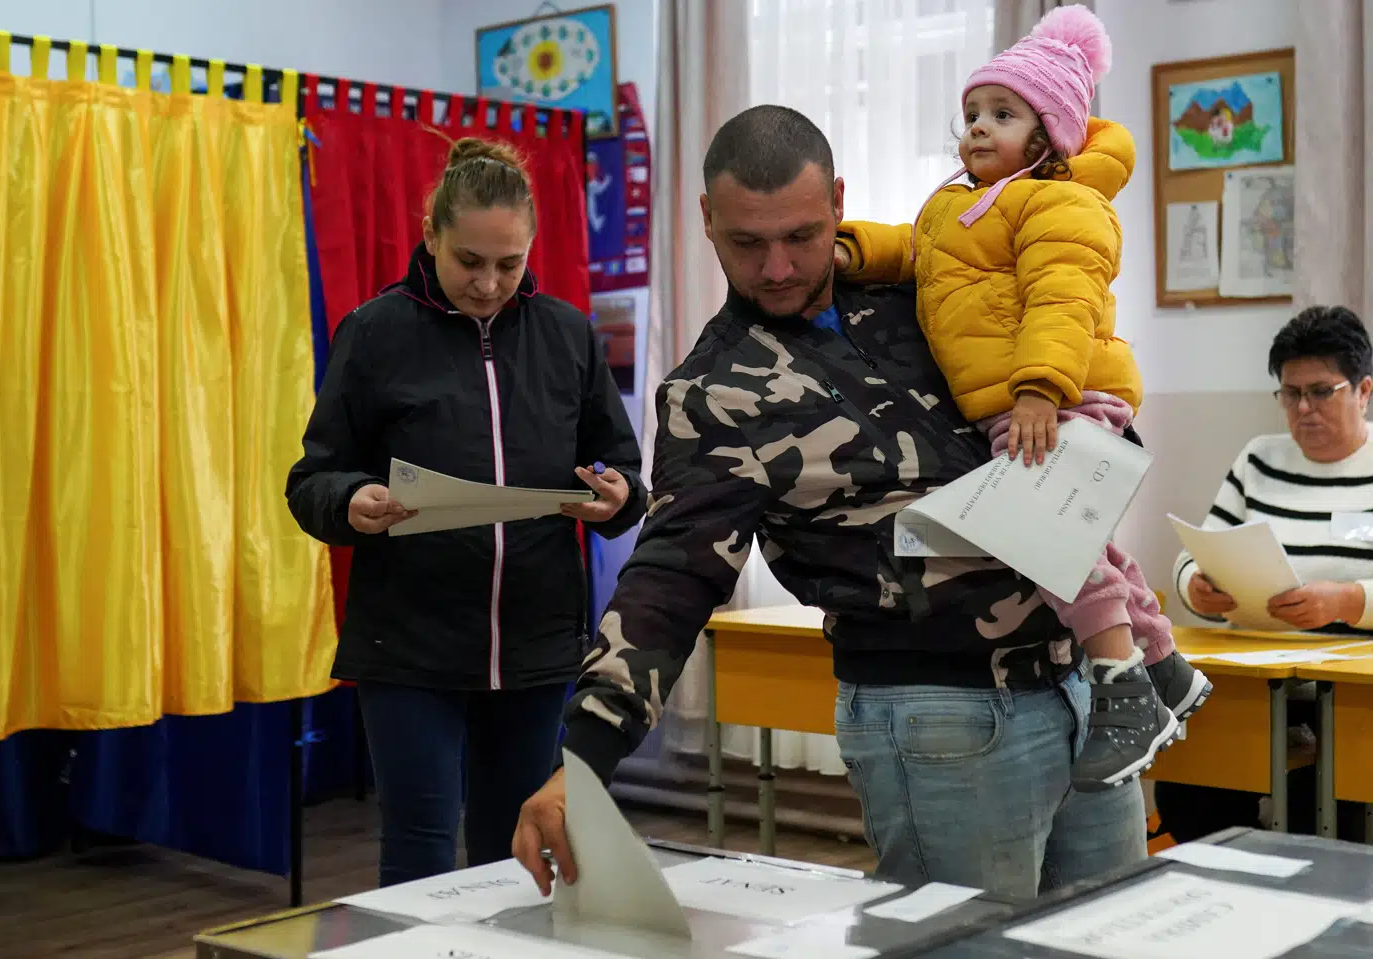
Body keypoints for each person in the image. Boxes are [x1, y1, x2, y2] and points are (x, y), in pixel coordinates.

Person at [511, 104, 1147, 900]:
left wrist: (1101, 433)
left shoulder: (927, 284)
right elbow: (668, 580)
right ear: (706, 221)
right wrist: (584, 760)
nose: (777, 268)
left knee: (1109, 933)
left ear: (839, 203)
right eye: (747, 243)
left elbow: (1061, 344)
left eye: (802, 237)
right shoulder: (712, 394)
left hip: (1083, 678)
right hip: (936, 712)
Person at [830, 4, 1210, 791]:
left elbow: (1064, 297)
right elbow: (914, 250)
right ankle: (1168, 668)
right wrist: (854, 246)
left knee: (1044, 536)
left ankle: (1122, 686)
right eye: (971, 112)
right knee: (1085, 541)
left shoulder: (1061, 203)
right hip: (1024, 397)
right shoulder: (958, 204)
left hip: (1064, 392)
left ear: (1047, 137)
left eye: (1001, 115)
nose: (976, 128)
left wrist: (1040, 389)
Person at [286, 137, 647, 886]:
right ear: (430, 238)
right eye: (469, 262)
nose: (488, 285)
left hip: (535, 644)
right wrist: (350, 499)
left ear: (531, 249)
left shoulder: (567, 336)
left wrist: (618, 497)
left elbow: (624, 473)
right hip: (409, 645)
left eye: (508, 265)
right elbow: (311, 479)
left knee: (513, 849)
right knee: (419, 850)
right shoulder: (375, 332)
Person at [1158, 305, 1373, 842]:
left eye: (1322, 391)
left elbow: (1351, 600)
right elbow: (1195, 552)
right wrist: (1196, 587)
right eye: (1290, 393)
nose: (1304, 408)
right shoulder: (1259, 460)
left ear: (1364, 391)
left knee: (1321, 806)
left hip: (1352, 691)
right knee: (1191, 785)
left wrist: (1349, 600)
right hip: (1261, 675)